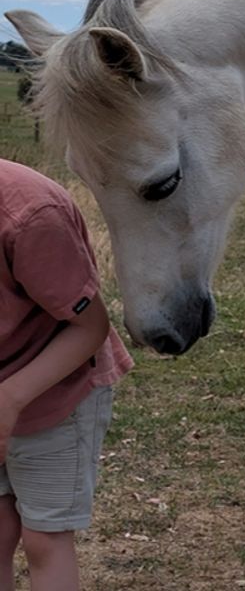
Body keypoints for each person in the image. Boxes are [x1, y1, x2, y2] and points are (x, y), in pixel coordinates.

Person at [0, 159, 133, 591]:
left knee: (44, 538)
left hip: (59, 392)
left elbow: (90, 328)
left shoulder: (31, 216)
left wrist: (11, 398)